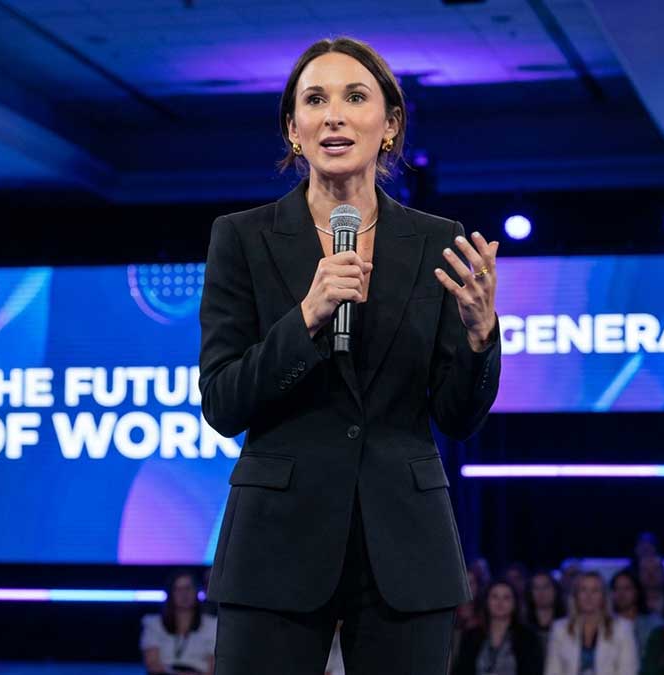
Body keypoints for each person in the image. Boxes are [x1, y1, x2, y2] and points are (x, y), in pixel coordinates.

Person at [198, 36, 502, 674]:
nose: (333, 114)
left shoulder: (436, 241)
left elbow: (456, 416)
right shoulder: (241, 238)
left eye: (355, 96)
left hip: (404, 543)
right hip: (276, 540)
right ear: (293, 128)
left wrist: (479, 338)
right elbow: (223, 401)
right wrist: (307, 317)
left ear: (390, 125)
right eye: (315, 100)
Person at [545, 571, 639, 675]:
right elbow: (552, 671)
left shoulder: (623, 628)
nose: (588, 596)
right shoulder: (559, 629)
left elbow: (628, 671)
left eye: (595, 590)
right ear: (576, 596)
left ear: (603, 596)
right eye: (583, 590)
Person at [452, 580, 544, 675]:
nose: (500, 602)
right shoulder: (472, 635)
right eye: (494, 597)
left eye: (506, 598)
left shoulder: (528, 637)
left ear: (515, 603)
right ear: (486, 601)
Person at [141, 571, 217, 675]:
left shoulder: (212, 624)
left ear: (196, 592)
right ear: (170, 593)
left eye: (188, 588)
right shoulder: (153, 624)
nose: (184, 594)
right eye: (178, 589)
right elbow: (152, 664)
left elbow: (213, 668)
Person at [611, 568, 664, 659]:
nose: (621, 593)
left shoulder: (655, 625)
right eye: (616, 588)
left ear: (637, 591)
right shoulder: (607, 624)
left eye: (626, 588)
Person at [526, 569, 565, 651]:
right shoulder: (523, 623)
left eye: (546, 587)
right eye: (536, 587)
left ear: (555, 590)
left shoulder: (566, 623)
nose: (541, 592)